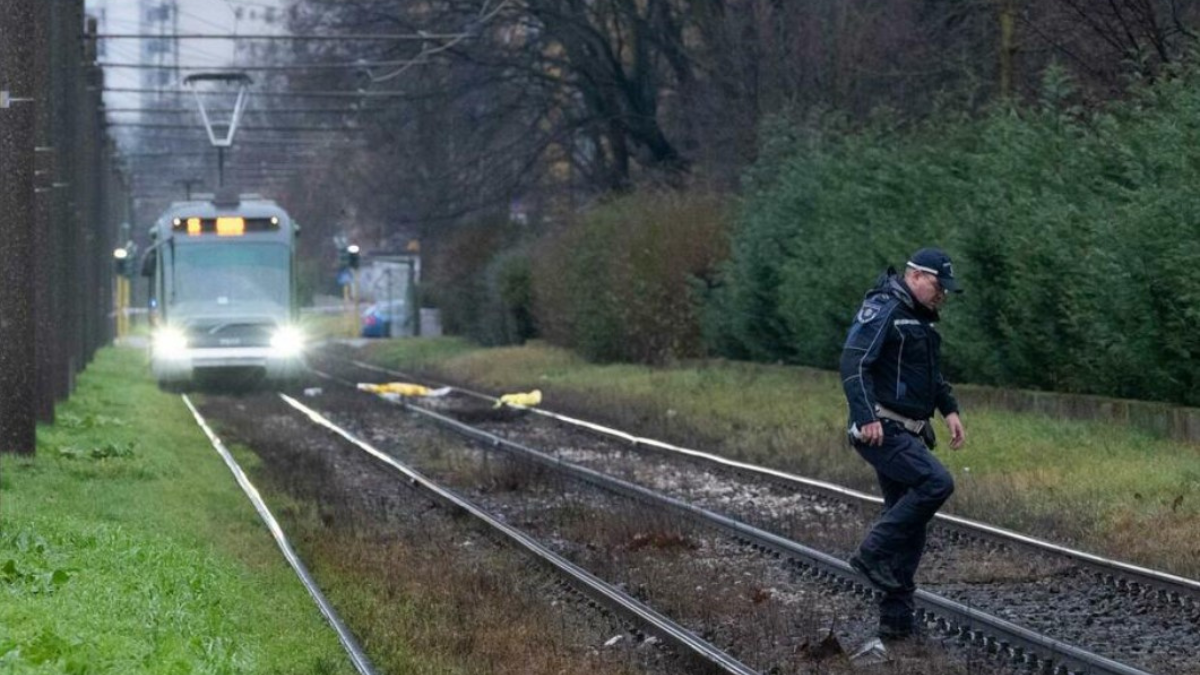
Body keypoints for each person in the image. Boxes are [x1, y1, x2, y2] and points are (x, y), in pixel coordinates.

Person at [839, 247, 966, 641]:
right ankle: (871, 552)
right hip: (882, 429)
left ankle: (896, 624)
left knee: (909, 523)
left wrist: (949, 409)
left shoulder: (921, 320)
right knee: (936, 483)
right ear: (915, 276)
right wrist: (865, 417)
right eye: (937, 285)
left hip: (909, 429)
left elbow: (929, 373)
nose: (941, 294)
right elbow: (853, 362)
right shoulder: (885, 310)